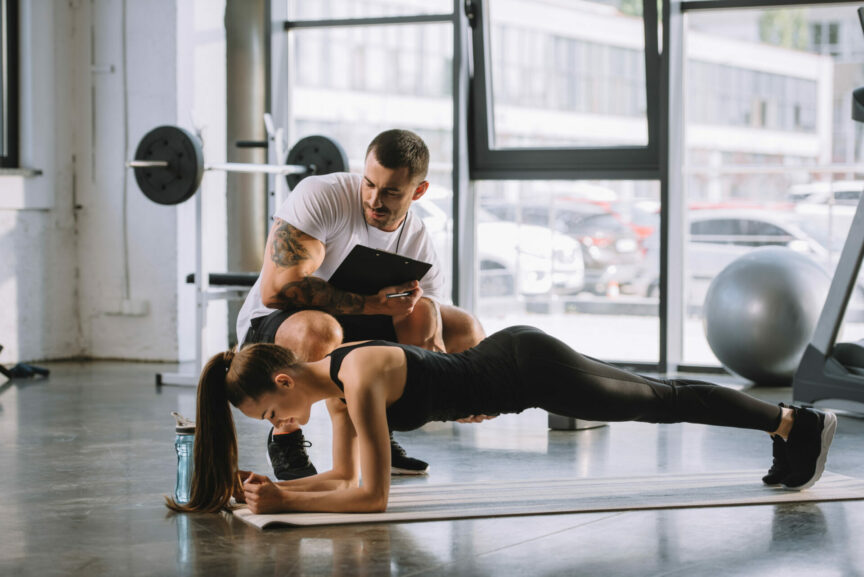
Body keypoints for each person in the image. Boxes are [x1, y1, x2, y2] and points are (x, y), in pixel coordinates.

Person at [168, 324, 837, 515]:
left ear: (283, 380)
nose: (282, 423)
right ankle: (791, 428)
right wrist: (280, 492)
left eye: (271, 412)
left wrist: (290, 499)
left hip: (527, 365)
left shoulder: (359, 373)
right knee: (656, 396)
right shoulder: (339, 385)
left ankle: (795, 423)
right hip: (515, 370)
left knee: (659, 401)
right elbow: (345, 474)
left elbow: (372, 496)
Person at [235, 128, 485, 480]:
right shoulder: (323, 196)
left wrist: (458, 393)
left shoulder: (416, 239)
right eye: (369, 184)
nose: (374, 200)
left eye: (391, 191)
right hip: (275, 325)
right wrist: (373, 305)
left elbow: (425, 341)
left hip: (352, 322)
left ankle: (379, 431)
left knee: (462, 326)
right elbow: (275, 291)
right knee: (319, 331)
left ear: (419, 191)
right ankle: (285, 436)